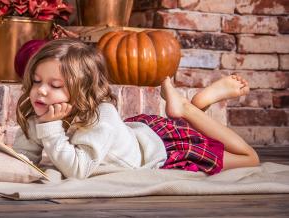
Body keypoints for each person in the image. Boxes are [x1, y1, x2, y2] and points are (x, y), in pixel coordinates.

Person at [13, 38, 260, 179]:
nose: (41, 91)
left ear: (83, 90)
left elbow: (78, 171)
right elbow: (23, 159)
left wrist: (50, 129)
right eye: (36, 81)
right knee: (199, 135)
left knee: (249, 159)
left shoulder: (101, 116)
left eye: (54, 85)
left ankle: (188, 108)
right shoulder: (41, 113)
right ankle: (196, 107)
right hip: (140, 134)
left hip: (162, 152)